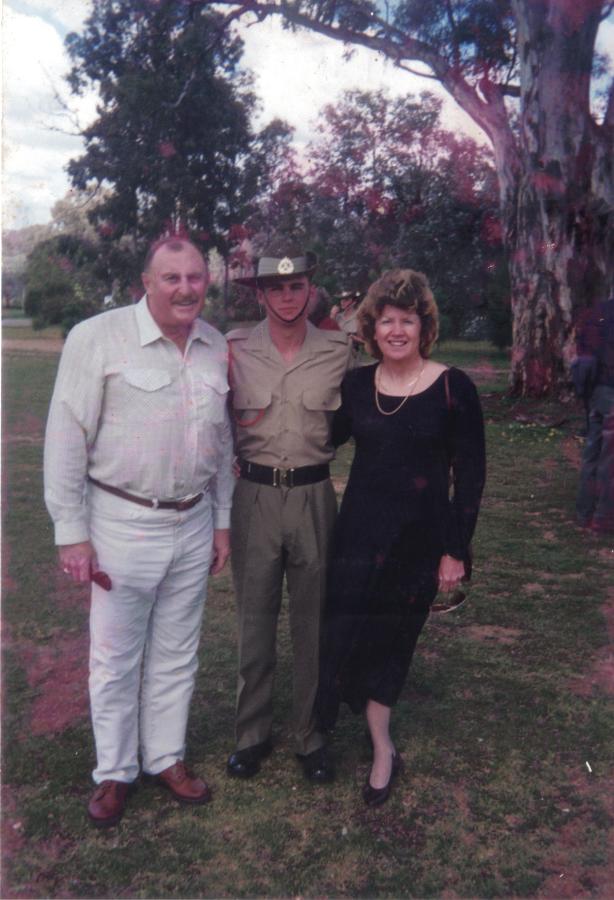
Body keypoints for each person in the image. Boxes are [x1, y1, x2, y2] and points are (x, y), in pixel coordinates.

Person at [44, 236, 234, 828]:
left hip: (194, 521)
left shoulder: (213, 344)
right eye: (171, 277)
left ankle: (167, 757)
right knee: (115, 657)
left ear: (208, 281)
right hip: (121, 524)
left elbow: (222, 441)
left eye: (195, 277)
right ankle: (115, 771)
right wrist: (71, 533)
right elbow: (66, 436)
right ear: (146, 282)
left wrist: (222, 521)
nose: (185, 289)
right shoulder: (95, 339)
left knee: (178, 652)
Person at [317, 268, 485, 806]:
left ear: (423, 326)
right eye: (386, 320)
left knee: (392, 645)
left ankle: (383, 749)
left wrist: (455, 548)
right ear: (371, 327)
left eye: (406, 320)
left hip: (418, 543)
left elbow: (471, 475)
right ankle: (329, 725)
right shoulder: (356, 386)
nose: (395, 330)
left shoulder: (453, 386)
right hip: (358, 537)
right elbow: (321, 439)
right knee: (346, 638)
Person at [225, 242, 352, 783]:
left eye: (295, 286)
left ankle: (310, 734)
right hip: (253, 496)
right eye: (275, 287)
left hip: (313, 495)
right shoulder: (231, 348)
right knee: (255, 621)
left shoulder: (340, 349)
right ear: (259, 293)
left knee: (314, 621)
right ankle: (251, 734)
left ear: (310, 290)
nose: (286, 296)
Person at [574, 295, 614, 533]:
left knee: (592, 453)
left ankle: (584, 512)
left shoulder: (598, 310)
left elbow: (584, 350)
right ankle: (603, 519)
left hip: (596, 392)